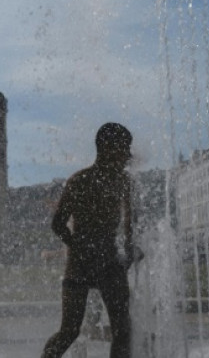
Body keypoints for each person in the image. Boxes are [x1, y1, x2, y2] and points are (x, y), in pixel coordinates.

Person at [42, 123, 139, 358]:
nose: (128, 155)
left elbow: (129, 224)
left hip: (105, 262)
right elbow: (58, 224)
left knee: (122, 330)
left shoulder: (123, 181)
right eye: (124, 149)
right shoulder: (80, 181)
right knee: (70, 331)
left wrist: (129, 250)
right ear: (107, 148)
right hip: (81, 265)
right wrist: (78, 247)